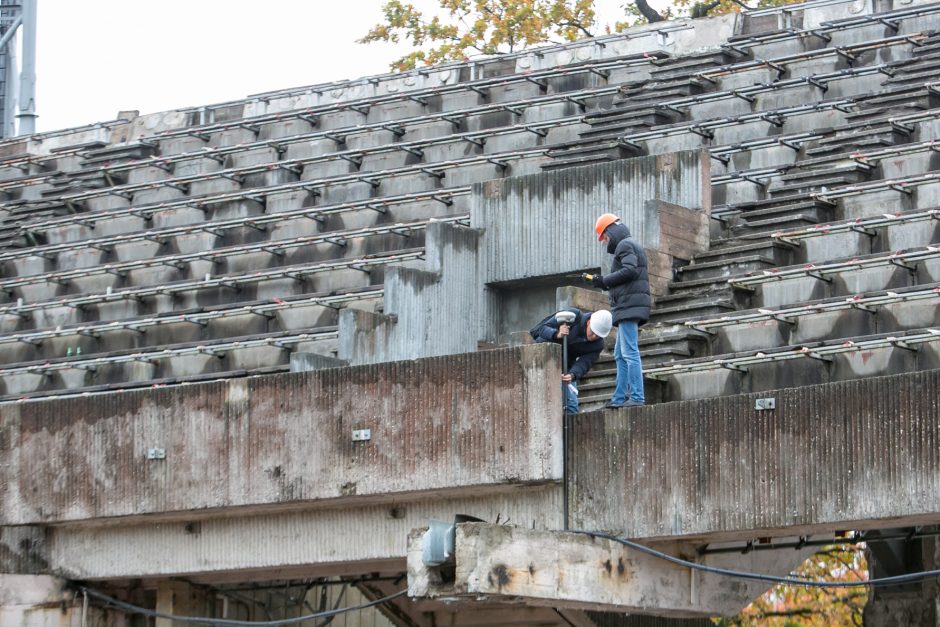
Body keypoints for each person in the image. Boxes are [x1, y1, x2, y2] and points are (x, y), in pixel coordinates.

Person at [590, 213, 651, 408]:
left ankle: (637, 397)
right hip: (628, 306)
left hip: (628, 307)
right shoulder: (631, 244)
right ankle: (618, 398)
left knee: (630, 352)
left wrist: (604, 281)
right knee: (619, 354)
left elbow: (629, 270)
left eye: (605, 238)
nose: (605, 242)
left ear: (611, 231)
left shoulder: (625, 245)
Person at [529, 308, 613, 414]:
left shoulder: (598, 345)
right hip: (544, 357)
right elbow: (542, 328)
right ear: (588, 322)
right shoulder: (571, 316)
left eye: (598, 336)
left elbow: (585, 363)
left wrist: (573, 374)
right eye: (593, 331)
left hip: (566, 367)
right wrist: (557, 334)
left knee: (571, 406)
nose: (594, 336)